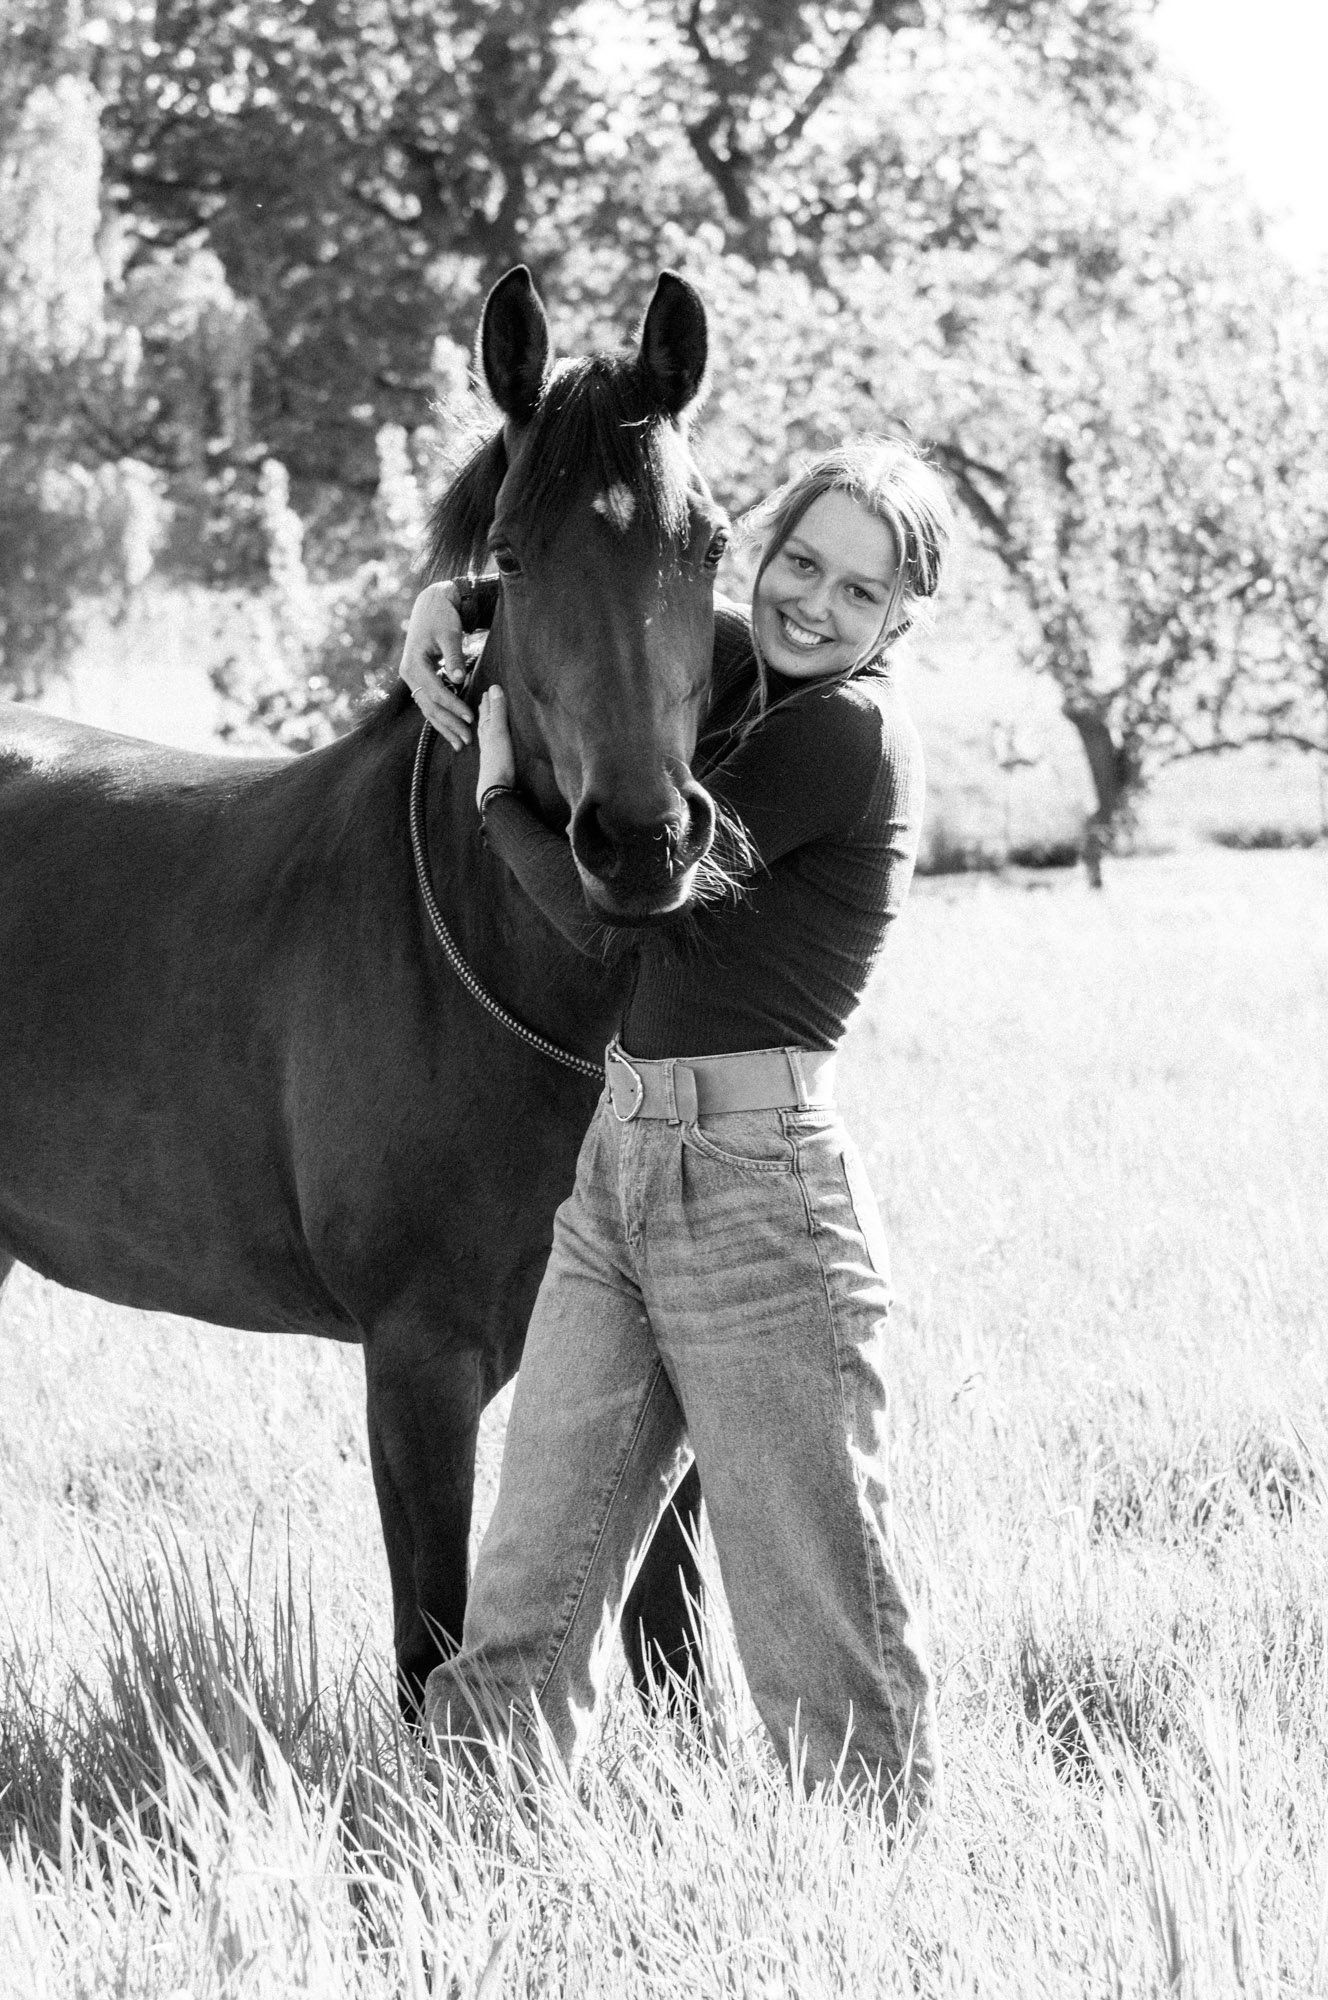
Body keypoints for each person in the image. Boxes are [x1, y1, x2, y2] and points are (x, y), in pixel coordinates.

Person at [399, 437, 953, 1822]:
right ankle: (449, 1883)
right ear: (757, 556)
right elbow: (596, 587)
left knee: (818, 1631)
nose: (817, 604)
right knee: (528, 1594)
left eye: (863, 592)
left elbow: (621, 905)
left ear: (902, 619)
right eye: (803, 564)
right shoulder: (745, 682)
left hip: (762, 1196)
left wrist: (489, 791)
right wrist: (453, 600)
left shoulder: (846, 734)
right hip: (622, 1167)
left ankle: (886, 1913)